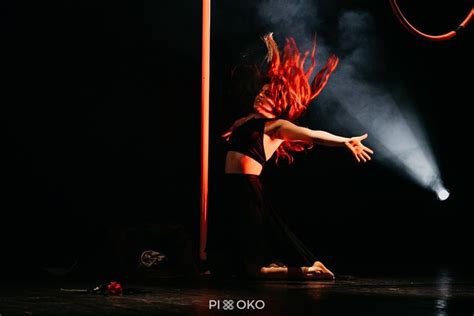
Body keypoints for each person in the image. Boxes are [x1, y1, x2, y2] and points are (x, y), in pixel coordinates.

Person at [207, 33, 374, 280]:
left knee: (250, 269)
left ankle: (309, 270)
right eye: (260, 92)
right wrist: (272, 50)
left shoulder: (277, 126)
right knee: (226, 262)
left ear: (278, 102)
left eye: (267, 94)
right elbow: (275, 74)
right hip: (228, 186)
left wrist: (344, 141)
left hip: (247, 188)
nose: (260, 95)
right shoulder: (243, 121)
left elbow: (312, 134)